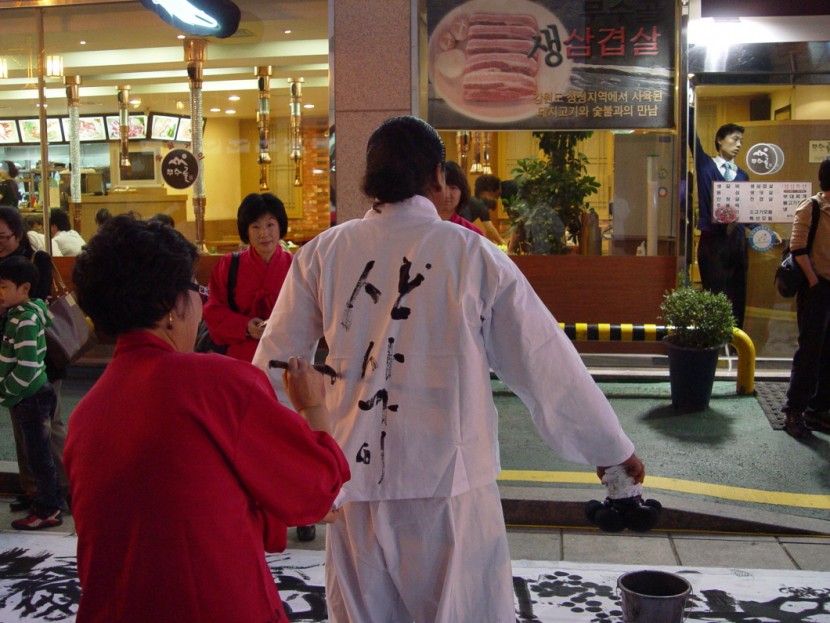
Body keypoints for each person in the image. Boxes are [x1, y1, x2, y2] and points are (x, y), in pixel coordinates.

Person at [253, 116, 644, 623]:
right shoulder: (472, 255)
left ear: (370, 178)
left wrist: (286, 472)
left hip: (353, 485)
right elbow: (544, 362)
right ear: (438, 176)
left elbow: (273, 369)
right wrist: (611, 450)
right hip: (449, 490)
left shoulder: (322, 253)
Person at [65, 215, 350, 623]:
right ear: (170, 306)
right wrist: (311, 406)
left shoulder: (86, 414)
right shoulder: (215, 382)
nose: (200, 304)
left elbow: (186, 506)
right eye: (196, 291)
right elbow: (319, 485)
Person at [200, 192, 319, 541]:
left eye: (270, 224)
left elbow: (315, 312)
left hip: (288, 369)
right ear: (245, 231)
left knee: (292, 441)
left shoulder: (299, 265)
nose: (264, 233)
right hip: (243, 368)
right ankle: (254, 511)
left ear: (280, 227)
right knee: (249, 445)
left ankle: (302, 510)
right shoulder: (229, 267)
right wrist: (246, 326)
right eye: (256, 226)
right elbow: (213, 311)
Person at [0, 206, 68, 515]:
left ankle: (63, 488)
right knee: (21, 427)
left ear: (18, 233)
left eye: (3, 237)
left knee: (49, 426)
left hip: (42, 356)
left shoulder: (36, 260)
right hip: (10, 354)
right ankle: (33, 490)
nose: (0, 243)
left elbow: (34, 303)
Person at [781, 157, 830, 439]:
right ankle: (795, 410)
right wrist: (813, 281)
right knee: (810, 351)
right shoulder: (811, 207)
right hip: (817, 288)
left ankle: (818, 409)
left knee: (828, 352)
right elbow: (797, 248)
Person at [693, 117, 750, 328]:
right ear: (719, 140)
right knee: (715, 292)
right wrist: (689, 107)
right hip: (713, 240)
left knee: (738, 292)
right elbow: (692, 140)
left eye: (741, 141)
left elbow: (747, 209)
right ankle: (714, 336)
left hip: (737, 241)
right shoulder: (706, 165)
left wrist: (760, 230)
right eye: (734, 139)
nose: (738, 145)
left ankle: (736, 338)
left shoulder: (742, 175)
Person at [438, 160, 483, 235]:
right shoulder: (421, 227)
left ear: (462, 192)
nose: (446, 194)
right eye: (442, 187)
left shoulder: (472, 233)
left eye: (453, 188)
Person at [460, 173, 505, 245]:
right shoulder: (481, 205)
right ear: (488, 191)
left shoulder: (473, 201)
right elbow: (490, 229)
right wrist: (502, 242)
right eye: (496, 195)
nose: (497, 198)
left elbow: (489, 232)